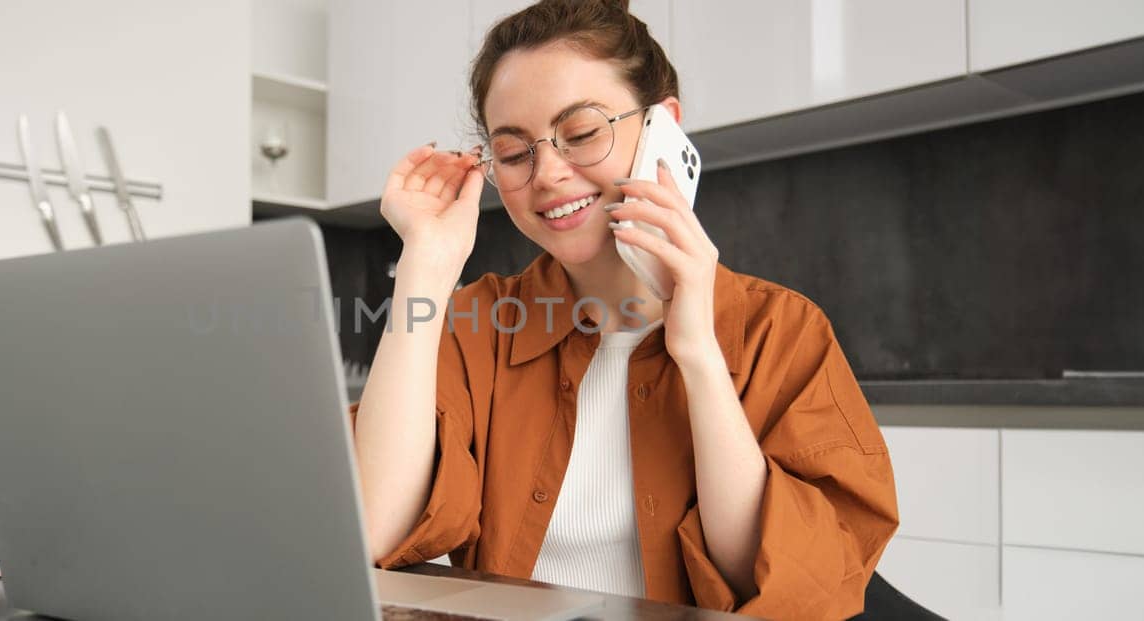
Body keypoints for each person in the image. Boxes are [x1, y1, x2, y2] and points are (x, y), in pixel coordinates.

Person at [349, 1, 898, 618]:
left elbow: (781, 584)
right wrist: (424, 261)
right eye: (512, 152)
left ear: (664, 126)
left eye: (582, 133)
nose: (549, 174)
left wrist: (697, 354)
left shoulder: (782, 330)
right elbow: (367, 531)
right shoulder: (476, 326)